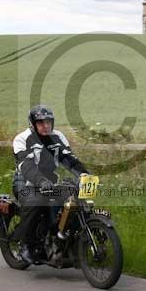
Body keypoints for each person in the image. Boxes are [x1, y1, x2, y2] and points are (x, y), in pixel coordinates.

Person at [11, 105, 89, 263]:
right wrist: (40, 181)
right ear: (33, 124)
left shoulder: (58, 136)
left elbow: (68, 159)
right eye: (41, 123)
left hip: (50, 183)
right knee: (36, 202)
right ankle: (26, 245)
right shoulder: (23, 138)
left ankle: (62, 240)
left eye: (48, 122)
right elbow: (27, 166)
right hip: (25, 183)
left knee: (75, 202)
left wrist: (84, 174)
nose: (46, 126)